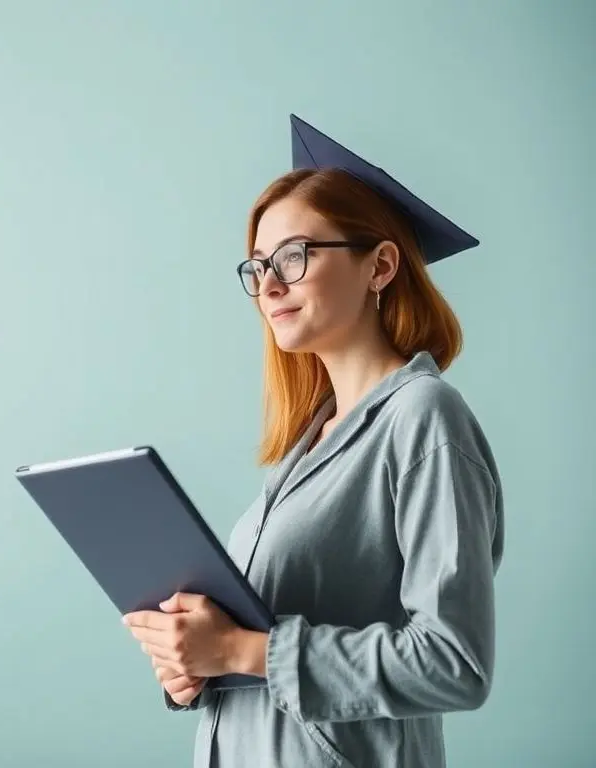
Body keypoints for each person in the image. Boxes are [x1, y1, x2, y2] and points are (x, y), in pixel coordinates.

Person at [122, 114, 504, 768]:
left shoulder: (423, 419)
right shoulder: (309, 443)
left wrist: (244, 651)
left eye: (295, 257)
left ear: (381, 265)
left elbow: (454, 663)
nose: (269, 285)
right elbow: (267, 651)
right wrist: (197, 666)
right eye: (259, 265)